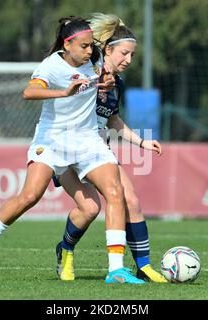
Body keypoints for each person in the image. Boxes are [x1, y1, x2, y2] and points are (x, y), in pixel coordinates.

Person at [0, 16, 145, 284]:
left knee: (115, 193)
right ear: (67, 45)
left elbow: (103, 78)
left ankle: (116, 270)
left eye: (92, 46)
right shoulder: (52, 66)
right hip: (53, 140)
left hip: (87, 139)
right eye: (84, 47)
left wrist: (107, 83)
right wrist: (64, 93)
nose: (90, 52)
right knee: (30, 196)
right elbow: (29, 92)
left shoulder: (95, 58)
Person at [54, 13, 167, 283]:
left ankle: (143, 266)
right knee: (90, 209)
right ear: (107, 50)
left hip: (96, 151)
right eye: (124, 53)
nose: (129, 60)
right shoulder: (86, 71)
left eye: (132, 55)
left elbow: (112, 119)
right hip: (66, 150)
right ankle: (66, 250)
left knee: (131, 199)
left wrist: (141, 142)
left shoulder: (117, 84)